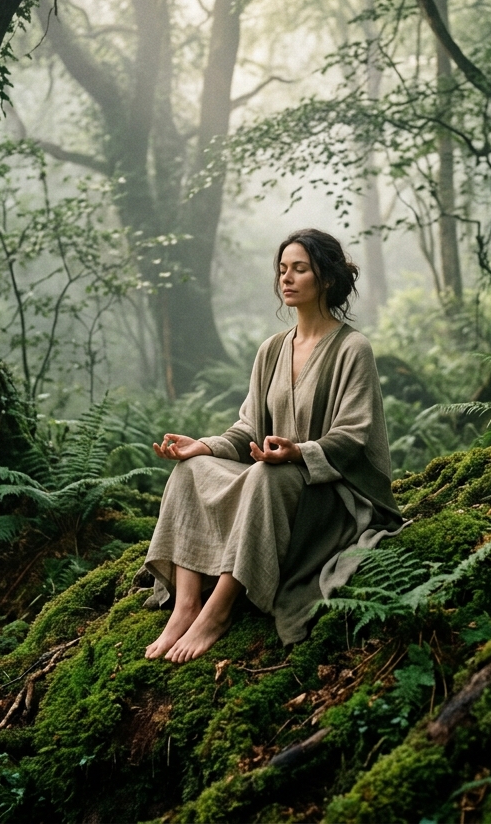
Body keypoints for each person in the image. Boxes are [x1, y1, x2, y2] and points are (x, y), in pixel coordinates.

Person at [142, 228, 403, 664]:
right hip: (273, 478)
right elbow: (248, 430)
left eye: (299, 269)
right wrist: (202, 447)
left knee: (265, 474)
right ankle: (186, 604)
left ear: (327, 279)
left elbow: (354, 434)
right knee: (190, 471)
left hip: (328, 493)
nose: (287, 278)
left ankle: (217, 610)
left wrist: (299, 453)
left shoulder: (353, 349)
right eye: (282, 269)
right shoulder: (271, 350)